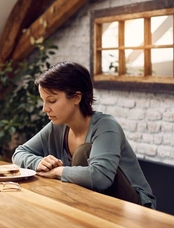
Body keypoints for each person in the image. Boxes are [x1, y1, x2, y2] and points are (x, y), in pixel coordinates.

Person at [12, 61, 156, 209]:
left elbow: (100, 177)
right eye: (44, 101)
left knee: (83, 152)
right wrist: (38, 163)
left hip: (134, 209)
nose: (44, 109)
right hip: (92, 203)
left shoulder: (106, 126)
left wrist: (57, 171)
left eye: (52, 101)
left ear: (76, 97)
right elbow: (19, 153)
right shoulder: (57, 128)